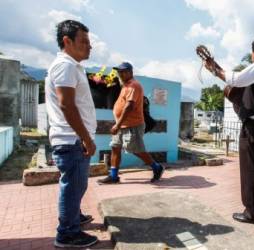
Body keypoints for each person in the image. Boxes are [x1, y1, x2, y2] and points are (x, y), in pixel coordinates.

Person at [204, 36, 254, 224]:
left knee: (251, 170)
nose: (252, 56)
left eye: (252, 53)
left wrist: (215, 70)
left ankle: (253, 213)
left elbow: (237, 79)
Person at [46, 20, 98, 247]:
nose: (89, 46)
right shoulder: (65, 66)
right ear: (67, 41)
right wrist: (86, 138)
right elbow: (67, 106)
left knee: (78, 185)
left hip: (74, 139)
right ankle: (67, 233)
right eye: (84, 41)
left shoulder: (72, 66)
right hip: (72, 139)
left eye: (89, 42)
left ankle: (73, 217)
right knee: (73, 186)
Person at [97, 62, 165, 184]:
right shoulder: (125, 85)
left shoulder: (134, 85)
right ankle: (114, 176)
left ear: (131, 72)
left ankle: (157, 167)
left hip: (132, 125)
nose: (120, 74)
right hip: (122, 124)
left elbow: (129, 106)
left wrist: (117, 125)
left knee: (136, 150)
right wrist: (118, 123)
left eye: (123, 71)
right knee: (115, 147)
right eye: (119, 72)